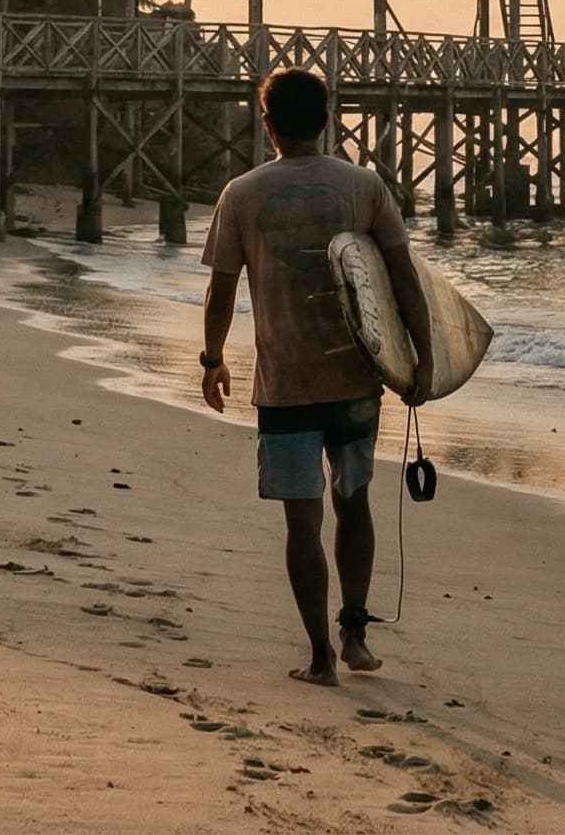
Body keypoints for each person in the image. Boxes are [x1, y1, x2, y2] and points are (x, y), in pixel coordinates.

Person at [200, 68, 432, 689]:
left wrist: (212, 358)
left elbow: (221, 288)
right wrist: (423, 357)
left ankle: (321, 657)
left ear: (267, 123)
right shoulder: (364, 187)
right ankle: (355, 633)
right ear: (328, 118)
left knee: (302, 523)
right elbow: (402, 277)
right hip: (358, 384)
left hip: (285, 389)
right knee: (352, 503)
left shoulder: (242, 194)